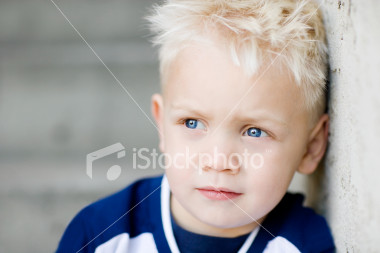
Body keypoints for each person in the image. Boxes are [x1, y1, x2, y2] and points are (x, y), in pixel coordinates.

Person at [56, 0, 335, 252]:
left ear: (311, 148)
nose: (218, 161)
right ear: (162, 124)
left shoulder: (307, 245)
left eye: (254, 131)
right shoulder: (99, 235)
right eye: (192, 123)